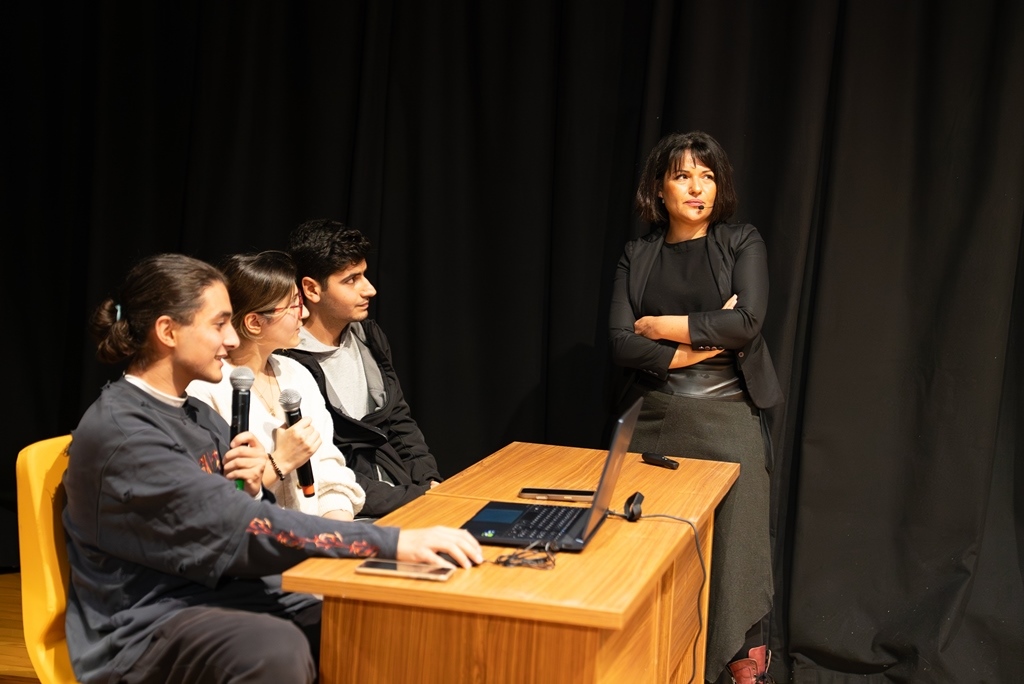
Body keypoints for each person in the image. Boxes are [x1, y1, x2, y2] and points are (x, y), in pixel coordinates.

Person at [63, 253, 482, 684]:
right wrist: (391, 542)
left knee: (371, 616)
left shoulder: (195, 414)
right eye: (219, 324)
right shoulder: (126, 433)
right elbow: (242, 530)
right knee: (274, 649)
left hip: (221, 588)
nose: (231, 339)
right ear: (168, 331)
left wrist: (249, 486)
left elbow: (236, 510)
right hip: (146, 621)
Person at [607, 131, 783, 684]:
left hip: (727, 411)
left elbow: (747, 323)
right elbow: (619, 344)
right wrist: (702, 340)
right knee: (646, 543)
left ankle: (743, 663)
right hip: (654, 411)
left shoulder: (741, 241)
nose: (696, 187)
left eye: (707, 176)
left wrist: (662, 326)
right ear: (659, 188)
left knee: (736, 546)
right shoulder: (638, 254)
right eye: (682, 176)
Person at [187, 250, 365, 521]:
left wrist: (335, 531)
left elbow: (329, 472)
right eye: (294, 305)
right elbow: (212, 499)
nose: (305, 313)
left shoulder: (296, 374)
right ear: (254, 322)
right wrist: (281, 461)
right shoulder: (205, 389)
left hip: (314, 534)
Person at [281, 220, 442, 518]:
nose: (369, 289)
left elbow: (399, 423)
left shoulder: (369, 337)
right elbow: (323, 465)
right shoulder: (287, 362)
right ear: (311, 289)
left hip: (403, 495)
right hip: (344, 508)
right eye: (351, 280)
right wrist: (417, 498)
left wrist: (430, 482)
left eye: (364, 275)